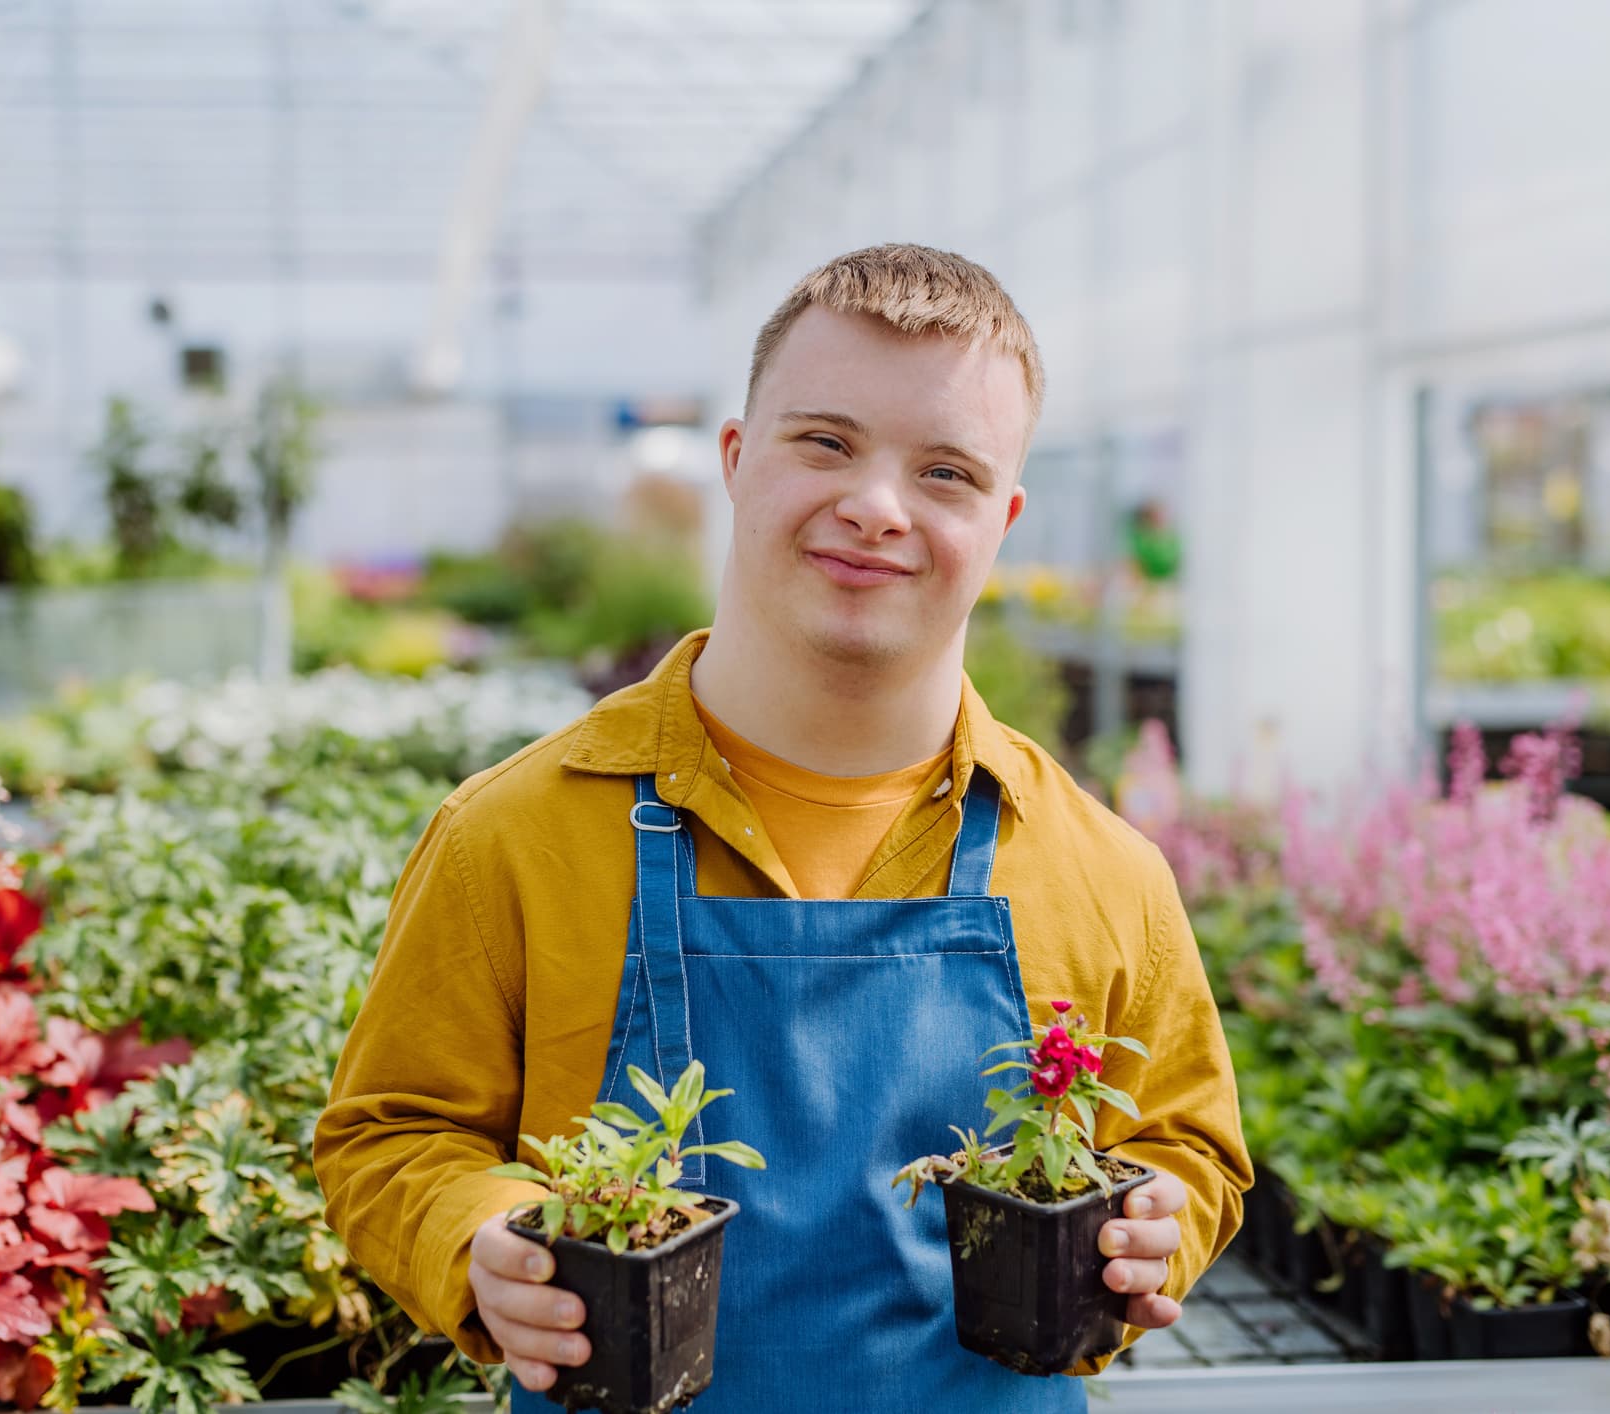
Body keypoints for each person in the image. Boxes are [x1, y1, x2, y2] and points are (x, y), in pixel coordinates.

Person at [314, 244, 1251, 1412]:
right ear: (737, 459)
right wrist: (479, 1237)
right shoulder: (514, 834)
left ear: (1003, 520)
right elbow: (390, 1132)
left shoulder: (1101, 870)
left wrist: (1155, 1226)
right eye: (826, 441)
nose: (876, 505)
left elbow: (1189, 1144)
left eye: (947, 472)